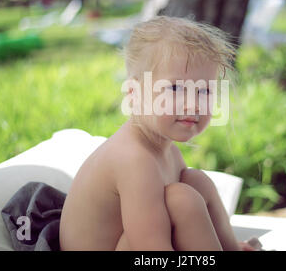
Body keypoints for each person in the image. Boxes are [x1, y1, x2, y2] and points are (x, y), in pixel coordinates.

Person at [59, 16, 254, 251]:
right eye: (174, 88)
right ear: (134, 93)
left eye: (204, 91)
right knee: (182, 200)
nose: (192, 104)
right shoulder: (134, 160)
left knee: (196, 182)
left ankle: (234, 248)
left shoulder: (166, 150)